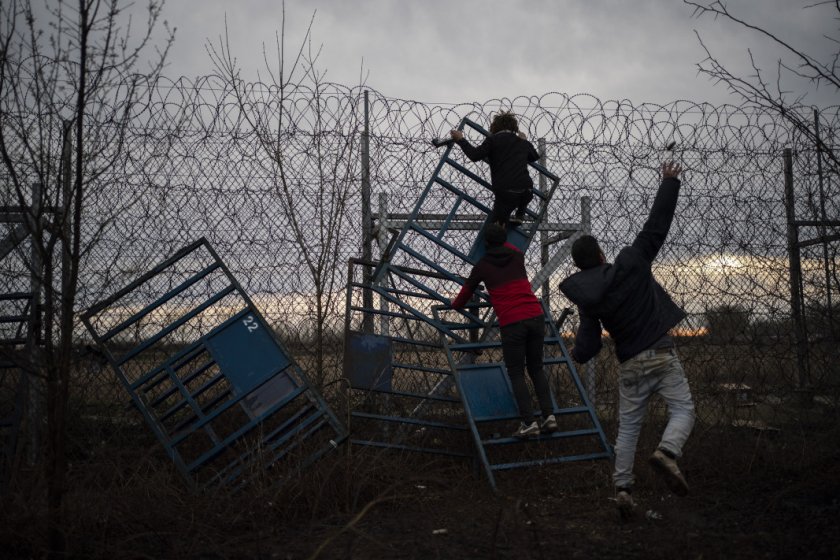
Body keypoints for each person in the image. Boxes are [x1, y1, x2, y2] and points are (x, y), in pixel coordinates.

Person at [558, 161, 695, 517]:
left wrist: (577, 353)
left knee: (629, 428)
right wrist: (669, 182)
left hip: (630, 362)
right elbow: (655, 228)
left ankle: (622, 490)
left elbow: (588, 346)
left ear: (578, 267)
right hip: (662, 353)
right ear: (602, 255)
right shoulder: (631, 262)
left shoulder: (590, 300)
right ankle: (667, 452)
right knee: (683, 409)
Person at [451, 223, 556, 438]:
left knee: (516, 372)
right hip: (535, 315)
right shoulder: (518, 256)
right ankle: (549, 416)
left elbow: (463, 296)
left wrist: (454, 305)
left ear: (486, 243)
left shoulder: (482, 266)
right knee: (536, 368)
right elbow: (507, 246)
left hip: (512, 321)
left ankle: (529, 422)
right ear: (504, 239)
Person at [449, 112, 539, 227]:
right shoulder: (521, 142)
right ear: (514, 128)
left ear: (494, 127)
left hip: (506, 192)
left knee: (496, 229)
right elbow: (534, 157)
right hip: (527, 190)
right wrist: (525, 141)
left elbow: (475, 155)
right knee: (521, 195)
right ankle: (519, 215)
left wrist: (461, 140)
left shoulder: (493, 140)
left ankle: (501, 230)